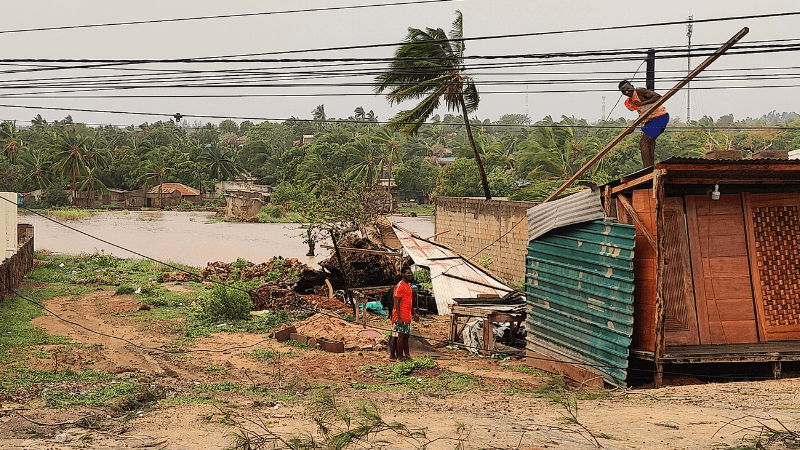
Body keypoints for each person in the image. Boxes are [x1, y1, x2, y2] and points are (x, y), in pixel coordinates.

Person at [619, 80, 670, 167]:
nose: (627, 92)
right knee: (649, 142)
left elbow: (659, 97)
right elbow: (642, 113)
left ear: (632, 86)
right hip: (649, 120)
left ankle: (647, 168)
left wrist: (642, 103)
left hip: (659, 117)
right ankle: (650, 166)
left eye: (628, 89)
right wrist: (633, 126)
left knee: (644, 142)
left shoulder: (639, 91)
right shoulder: (629, 102)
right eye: (624, 91)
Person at [392, 266, 418, 361]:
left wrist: (414, 313)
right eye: (408, 273)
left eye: (411, 273)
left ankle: (407, 355)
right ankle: (400, 356)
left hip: (407, 315)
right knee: (401, 335)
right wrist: (399, 317)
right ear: (403, 275)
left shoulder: (409, 286)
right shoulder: (400, 286)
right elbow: (397, 302)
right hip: (400, 315)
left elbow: (409, 302)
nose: (410, 274)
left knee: (406, 336)